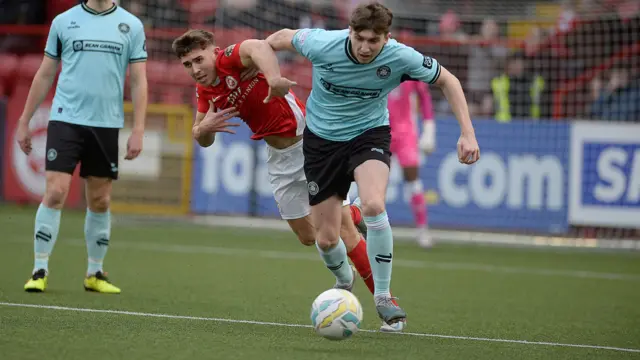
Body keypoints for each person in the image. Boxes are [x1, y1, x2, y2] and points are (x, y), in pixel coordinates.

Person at [266, 2, 480, 329]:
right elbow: (277, 39)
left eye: (374, 40)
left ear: (386, 37)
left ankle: (383, 297)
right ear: (350, 32)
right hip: (321, 142)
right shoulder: (322, 43)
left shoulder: (399, 56)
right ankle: (343, 279)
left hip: (369, 135)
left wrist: (468, 133)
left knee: (374, 204)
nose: (366, 47)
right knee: (324, 239)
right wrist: (265, 72)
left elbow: (447, 80)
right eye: (360, 38)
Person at [171, 29, 402, 332]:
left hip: (311, 145)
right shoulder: (205, 92)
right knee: (309, 237)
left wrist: (273, 77)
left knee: (343, 232)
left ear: (213, 51)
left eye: (199, 59)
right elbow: (201, 137)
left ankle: (387, 305)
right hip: (279, 159)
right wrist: (204, 130)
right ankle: (353, 216)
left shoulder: (230, 58)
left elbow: (257, 46)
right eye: (188, 65)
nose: (195, 69)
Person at [17, 0, 148, 294]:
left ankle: (94, 272)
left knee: (100, 199)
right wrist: (24, 119)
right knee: (55, 191)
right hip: (66, 119)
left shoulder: (132, 26)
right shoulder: (63, 22)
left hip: (106, 124)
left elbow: (139, 80)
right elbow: (45, 72)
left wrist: (138, 128)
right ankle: (39, 269)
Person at [352, 81, 437, 248]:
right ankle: (364, 226)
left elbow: (424, 96)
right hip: (380, 130)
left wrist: (429, 130)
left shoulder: (409, 64)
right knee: (372, 180)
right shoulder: (377, 64)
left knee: (412, 177)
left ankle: (422, 230)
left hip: (406, 133)